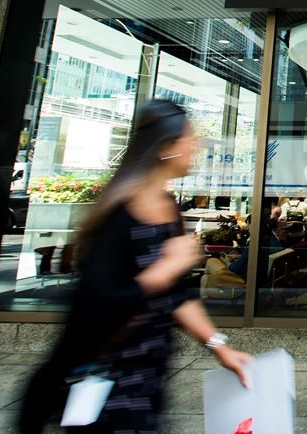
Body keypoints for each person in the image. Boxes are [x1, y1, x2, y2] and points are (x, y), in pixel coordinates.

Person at [18, 100, 251, 433]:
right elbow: (96, 300)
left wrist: (221, 348)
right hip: (108, 380)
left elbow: (177, 296)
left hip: (148, 375)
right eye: (190, 137)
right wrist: (166, 269)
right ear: (165, 147)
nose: (196, 145)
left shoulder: (167, 207)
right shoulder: (119, 213)